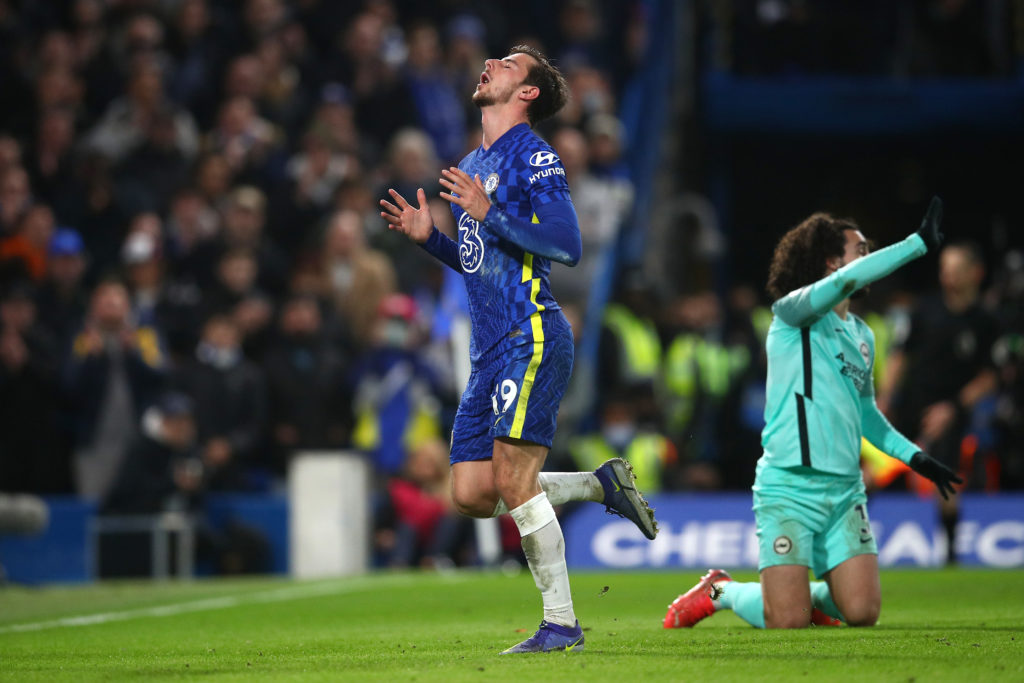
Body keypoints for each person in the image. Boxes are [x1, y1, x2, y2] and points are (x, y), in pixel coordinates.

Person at [380, 44, 657, 655]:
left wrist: (487, 210)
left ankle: (561, 624)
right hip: (488, 350)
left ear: (527, 92)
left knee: (511, 478)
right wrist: (433, 241)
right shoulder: (471, 161)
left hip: (531, 332)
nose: (491, 65)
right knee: (474, 493)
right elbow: (480, 264)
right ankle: (597, 485)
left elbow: (566, 243)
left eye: (508, 63)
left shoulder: (535, 155)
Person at [662, 199, 962, 630]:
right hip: (789, 487)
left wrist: (915, 457)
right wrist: (916, 244)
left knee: (862, 612)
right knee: (786, 621)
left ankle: (809, 597)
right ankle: (721, 590)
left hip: (844, 490)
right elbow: (848, 279)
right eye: (861, 250)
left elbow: (867, 415)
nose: (869, 259)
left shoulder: (861, 335)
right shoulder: (792, 313)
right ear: (830, 262)